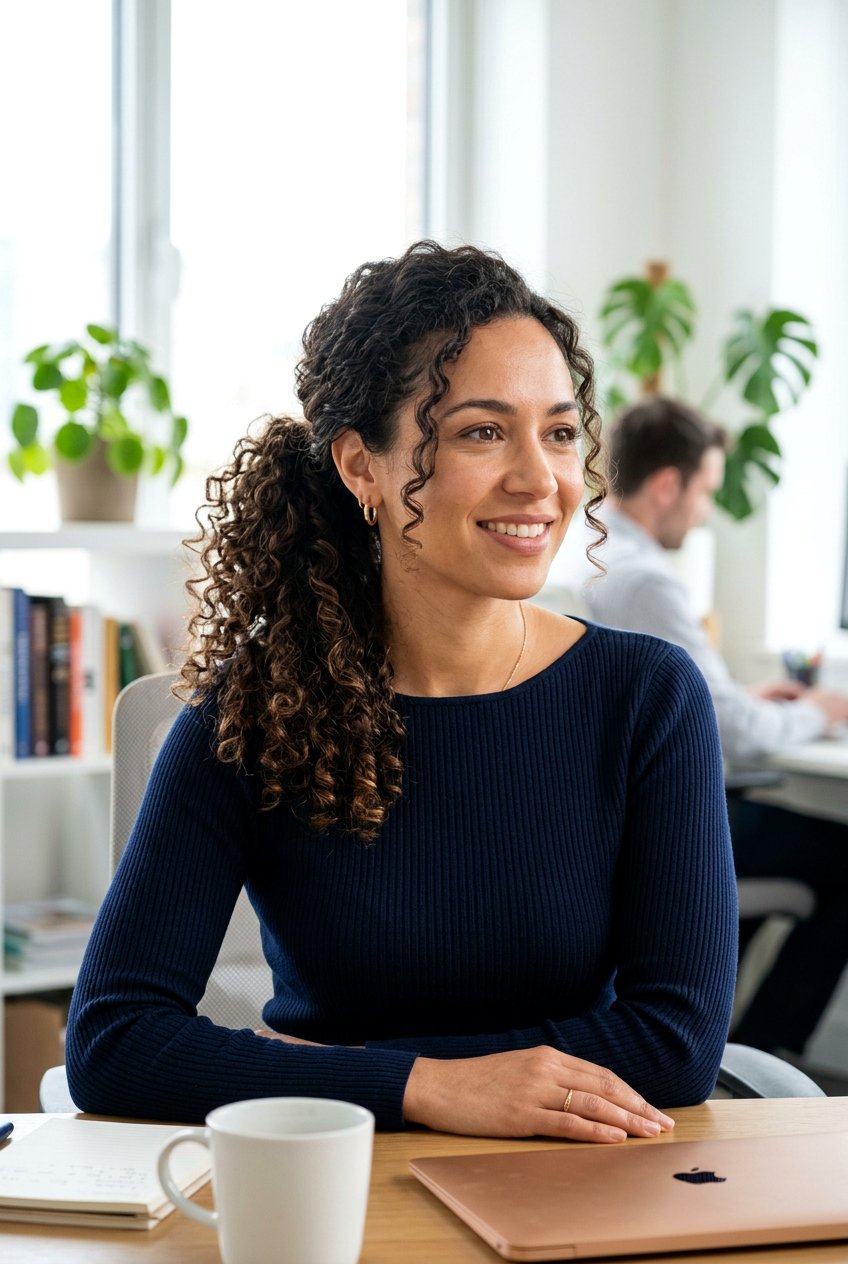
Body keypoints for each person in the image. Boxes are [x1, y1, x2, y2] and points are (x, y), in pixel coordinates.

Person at [66, 243, 736, 1141]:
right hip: (331, 1179)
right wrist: (424, 1086)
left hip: (579, 1178)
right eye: (482, 431)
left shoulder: (648, 699)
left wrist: (350, 1071)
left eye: (562, 431)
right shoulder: (257, 712)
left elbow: (676, 1040)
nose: (541, 479)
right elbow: (114, 1041)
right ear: (359, 467)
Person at [584, 395, 848, 1057]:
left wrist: (746, 697)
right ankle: (766, 1049)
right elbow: (735, 734)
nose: (705, 514)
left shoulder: (593, 555)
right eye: (704, 491)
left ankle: (731, 1040)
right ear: (667, 485)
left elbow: (696, 703)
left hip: (617, 814)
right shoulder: (645, 580)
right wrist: (817, 711)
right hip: (660, 823)